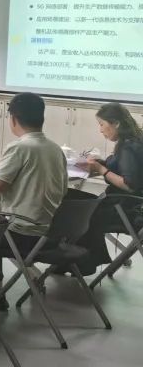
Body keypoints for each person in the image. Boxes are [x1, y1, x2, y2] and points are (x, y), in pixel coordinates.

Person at [0, 93, 67, 302]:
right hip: (53, 232)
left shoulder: (19, 147)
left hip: (24, 234)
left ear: (13, 119)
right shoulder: (55, 148)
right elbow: (64, 189)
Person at [68, 103, 143, 274]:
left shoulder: (128, 147)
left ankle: (82, 261)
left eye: (102, 124)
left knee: (74, 208)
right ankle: (82, 261)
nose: (100, 130)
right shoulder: (135, 140)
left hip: (122, 209)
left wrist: (101, 169)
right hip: (130, 206)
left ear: (116, 123)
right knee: (76, 199)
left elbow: (129, 185)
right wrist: (102, 163)